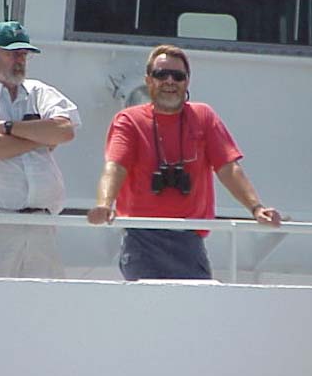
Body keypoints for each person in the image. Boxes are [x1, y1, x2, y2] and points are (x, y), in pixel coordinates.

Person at [87, 44, 280, 280]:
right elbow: (115, 166)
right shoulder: (129, 120)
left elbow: (228, 168)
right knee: (147, 310)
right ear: (149, 80)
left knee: (194, 313)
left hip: (190, 240)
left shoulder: (204, 116)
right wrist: (105, 204)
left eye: (177, 76)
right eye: (161, 75)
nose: (170, 81)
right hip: (142, 238)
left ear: (187, 82)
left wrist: (256, 208)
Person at [0, 21, 81, 278]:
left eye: (23, 54)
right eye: (12, 53)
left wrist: (6, 128)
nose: (19, 60)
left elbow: (65, 131)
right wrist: (40, 137)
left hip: (41, 222)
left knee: (45, 308)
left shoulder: (39, 92)